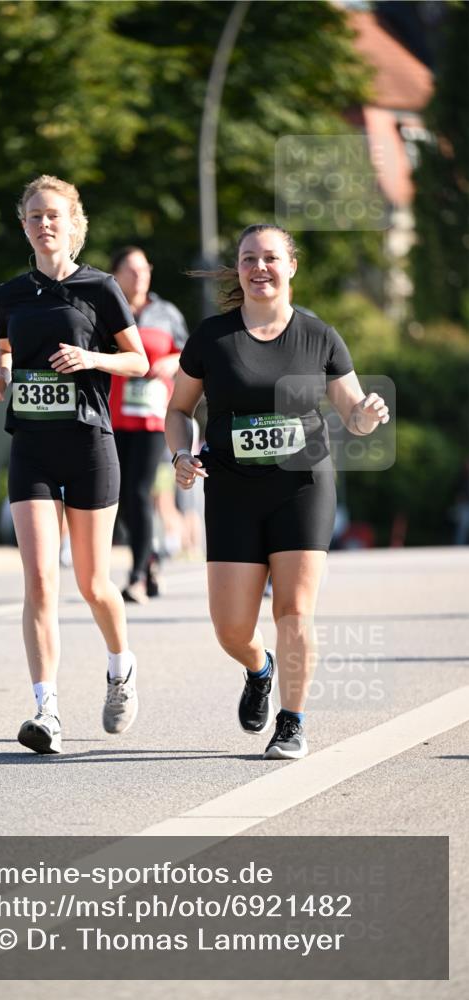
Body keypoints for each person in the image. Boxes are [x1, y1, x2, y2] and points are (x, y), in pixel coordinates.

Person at [165, 223, 389, 760]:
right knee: (231, 628)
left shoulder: (319, 337)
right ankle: (258, 669)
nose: (259, 268)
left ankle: (292, 722)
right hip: (230, 490)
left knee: (294, 611)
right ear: (238, 269)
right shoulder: (211, 338)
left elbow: (351, 412)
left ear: (291, 266)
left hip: (301, 485)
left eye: (269, 258)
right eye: (248, 259)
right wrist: (180, 454)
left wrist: (366, 416)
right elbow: (177, 410)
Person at [0, 175, 148, 754]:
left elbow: (139, 362)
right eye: (33, 216)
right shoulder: (11, 295)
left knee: (93, 582)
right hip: (31, 445)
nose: (44, 224)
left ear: (73, 222)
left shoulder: (100, 289)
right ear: (22, 225)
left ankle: (120, 668)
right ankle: (46, 710)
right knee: (40, 581)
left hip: (89, 445)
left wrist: (90, 356)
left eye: (53, 215)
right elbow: (5, 352)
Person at [109, 246, 189, 603]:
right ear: (116, 274)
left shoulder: (166, 312)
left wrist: (172, 362)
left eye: (144, 269)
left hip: (155, 417)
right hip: (113, 416)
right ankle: (151, 557)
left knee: (139, 491)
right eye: (130, 269)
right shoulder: (106, 308)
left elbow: (190, 352)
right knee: (123, 496)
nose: (139, 276)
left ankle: (138, 573)